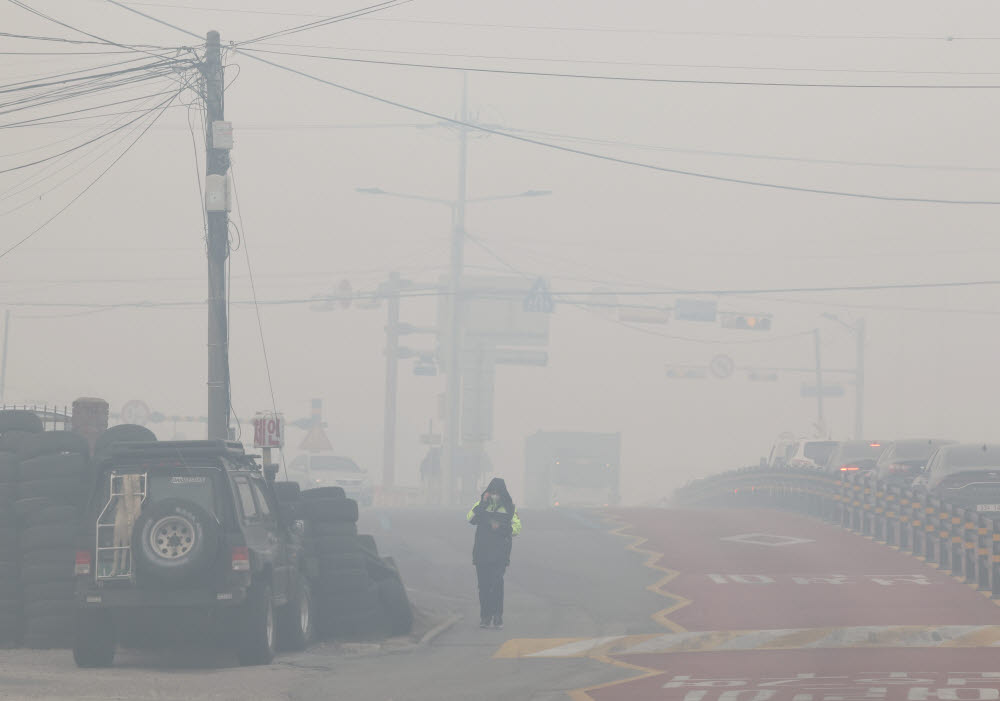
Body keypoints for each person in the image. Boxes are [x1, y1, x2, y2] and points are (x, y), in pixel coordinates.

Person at [467, 477, 521, 629]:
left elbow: (517, 528)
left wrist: (502, 528)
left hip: (500, 554)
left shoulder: (510, 508)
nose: (495, 495)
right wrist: (483, 503)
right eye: (492, 492)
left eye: (497, 492)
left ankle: (497, 616)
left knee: (497, 584)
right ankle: (485, 617)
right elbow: (470, 518)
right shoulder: (480, 505)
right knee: (483, 586)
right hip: (482, 553)